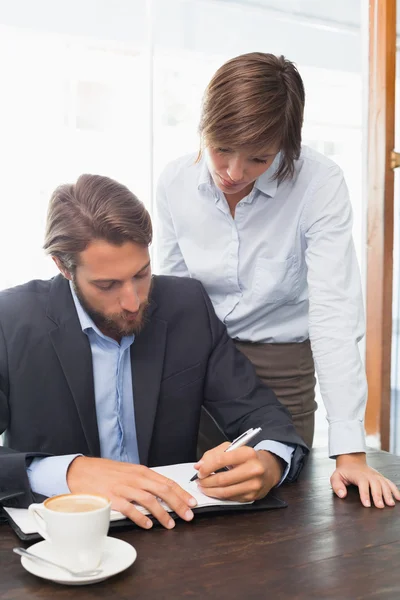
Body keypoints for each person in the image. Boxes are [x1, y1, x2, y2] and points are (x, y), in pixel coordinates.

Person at [156, 52, 400, 509]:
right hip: (197, 360)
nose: (232, 172)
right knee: (191, 500)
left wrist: (350, 451)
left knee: (278, 508)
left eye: (258, 158)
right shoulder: (174, 182)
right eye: (220, 148)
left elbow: (333, 313)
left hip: (282, 364)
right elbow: (174, 300)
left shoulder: (319, 183)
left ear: (286, 145)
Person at [0, 173, 308, 530]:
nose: (132, 301)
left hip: (173, 533)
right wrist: (69, 472)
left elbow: (263, 414)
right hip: (58, 540)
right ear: (62, 267)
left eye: (141, 274)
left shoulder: (187, 306)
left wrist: (269, 461)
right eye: (107, 285)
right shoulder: (12, 319)